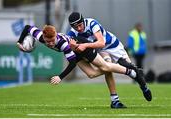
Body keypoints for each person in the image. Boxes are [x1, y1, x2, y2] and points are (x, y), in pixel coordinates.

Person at [17, 25, 146, 108]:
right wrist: (20, 41)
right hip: (75, 52)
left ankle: (133, 71)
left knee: (106, 67)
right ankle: (112, 61)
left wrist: (60, 77)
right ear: (43, 37)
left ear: (55, 36)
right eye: (47, 41)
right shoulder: (40, 36)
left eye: (52, 41)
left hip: (82, 47)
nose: (50, 44)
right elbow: (28, 28)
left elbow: (72, 63)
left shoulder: (62, 44)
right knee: (92, 74)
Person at [67, 12, 152, 106]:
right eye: (76, 27)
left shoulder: (92, 23)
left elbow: (101, 43)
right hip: (100, 51)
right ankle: (115, 100)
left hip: (112, 45)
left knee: (130, 68)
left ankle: (143, 86)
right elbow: (70, 47)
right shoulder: (72, 34)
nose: (79, 29)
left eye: (80, 25)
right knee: (107, 68)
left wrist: (84, 45)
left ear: (83, 21)